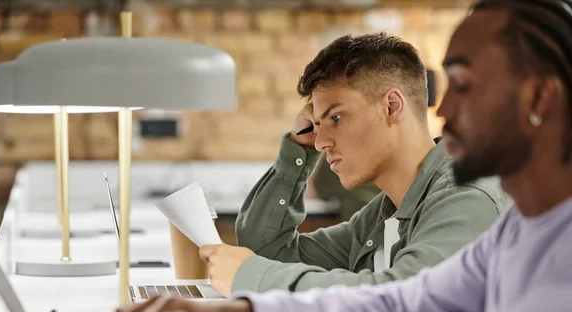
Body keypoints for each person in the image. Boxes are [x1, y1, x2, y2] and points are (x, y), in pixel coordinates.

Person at [98, 1, 572, 312]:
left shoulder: (480, 204)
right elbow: (402, 306)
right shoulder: (517, 230)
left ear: (540, 98)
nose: (444, 110)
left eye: (464, 86)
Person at [199, 32, 510, 297]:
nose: (321, 142)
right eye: (317, 124)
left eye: (336, 117)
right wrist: (299, 146)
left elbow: (405, 295)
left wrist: (258, 279)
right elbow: (266, 251)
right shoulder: (384, 214)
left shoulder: (466, 195)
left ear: (392, 107)